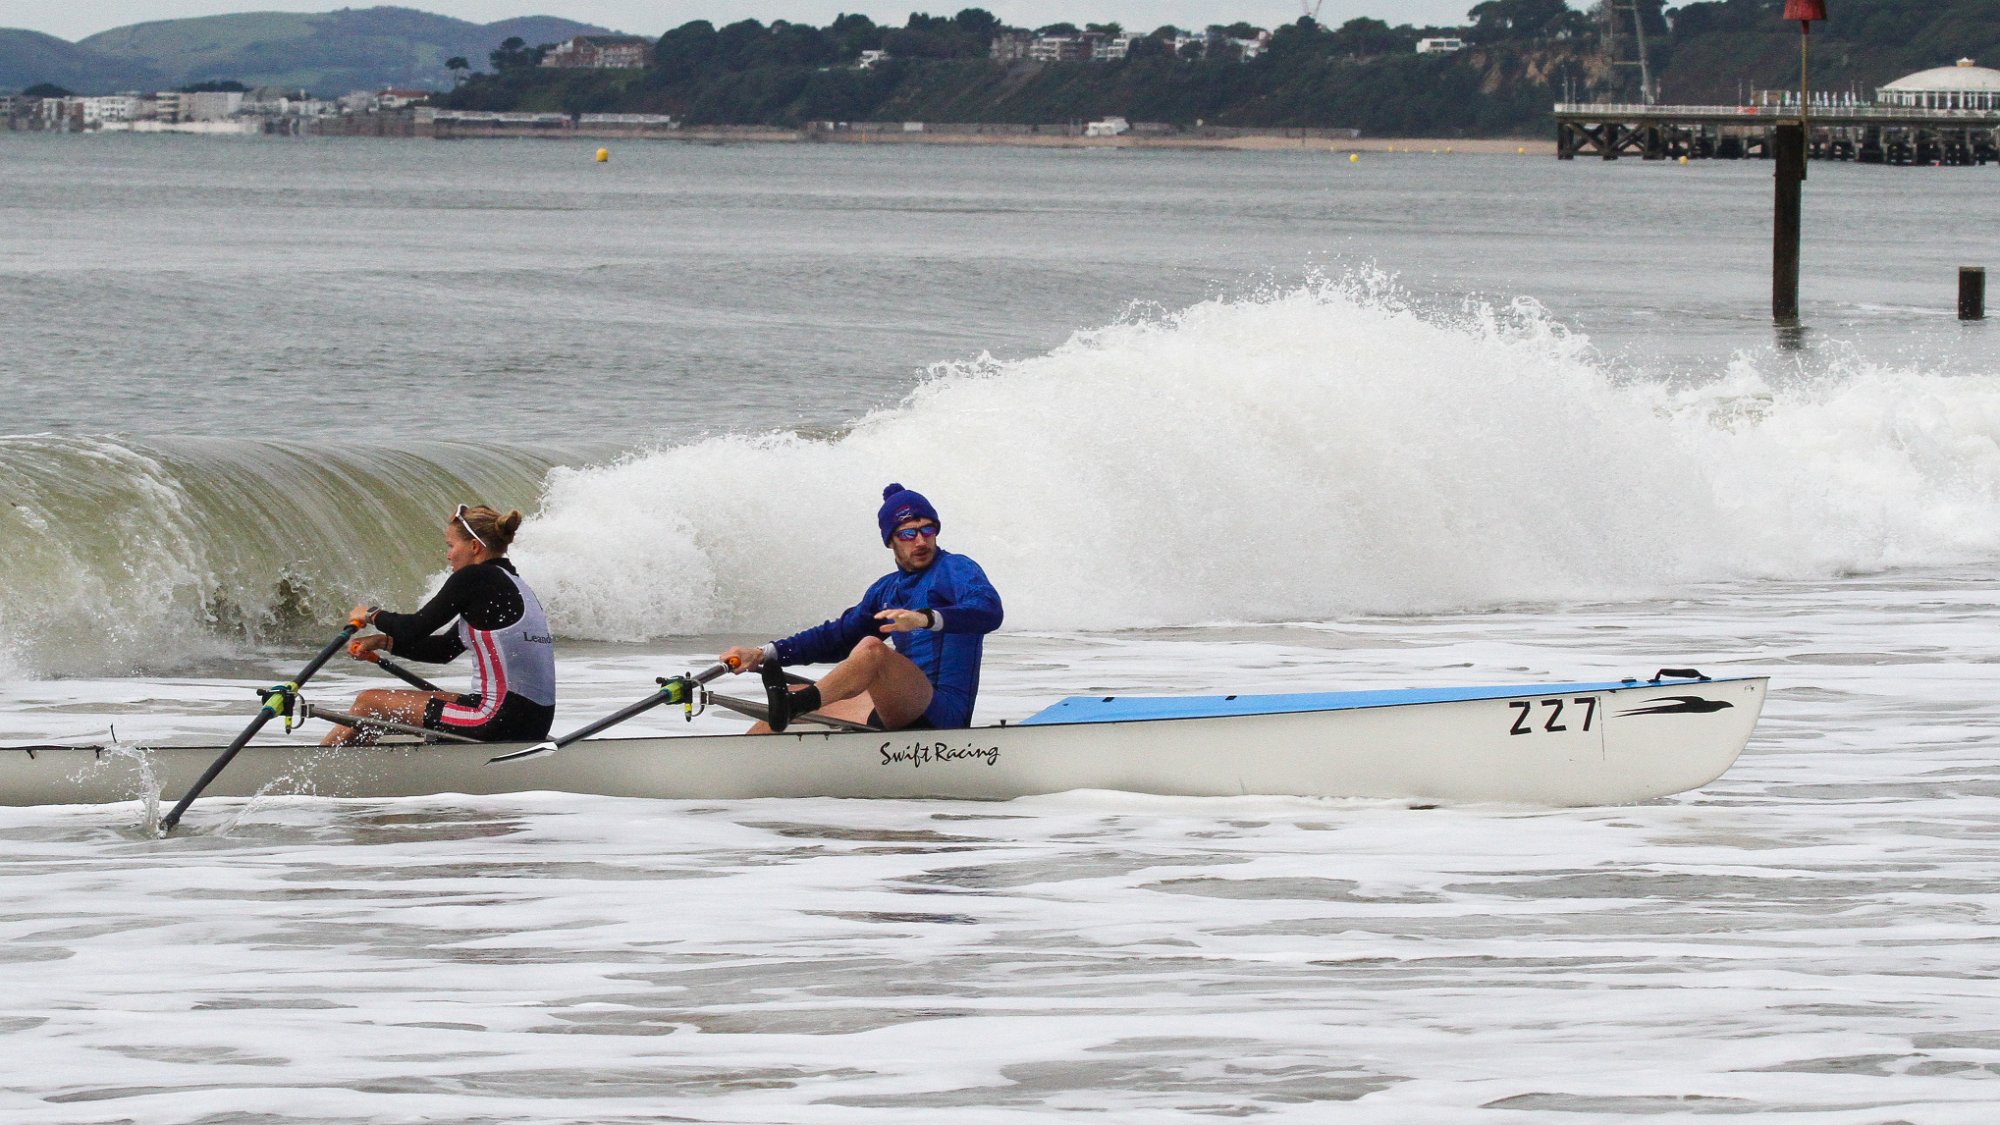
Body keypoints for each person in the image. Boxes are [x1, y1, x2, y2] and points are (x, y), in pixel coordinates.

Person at [721, 483, 1002, 733]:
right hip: (900, 707)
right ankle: (736, 774)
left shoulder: (955, 568)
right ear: (890, 540)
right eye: (908, 534)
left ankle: (796, 705)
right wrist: (763, 653)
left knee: (872, 650)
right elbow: (837, 637)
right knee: (785, 705)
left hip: (943, 715)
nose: (920, 541)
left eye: (927, 530)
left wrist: (924, 619)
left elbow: (988, 610)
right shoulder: (886, 590)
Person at [323, 503, 556, 746]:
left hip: (496, 719)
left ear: (474, 547)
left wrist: (370, 614)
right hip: (533, 721)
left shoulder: (474, 577)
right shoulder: (515, 586)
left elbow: (413, 628)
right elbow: (444, 650)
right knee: (392, 707)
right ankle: (357, 771)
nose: (448, 555)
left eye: (451, 546)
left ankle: (320, 773)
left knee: (368, 703)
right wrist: (383, 642)